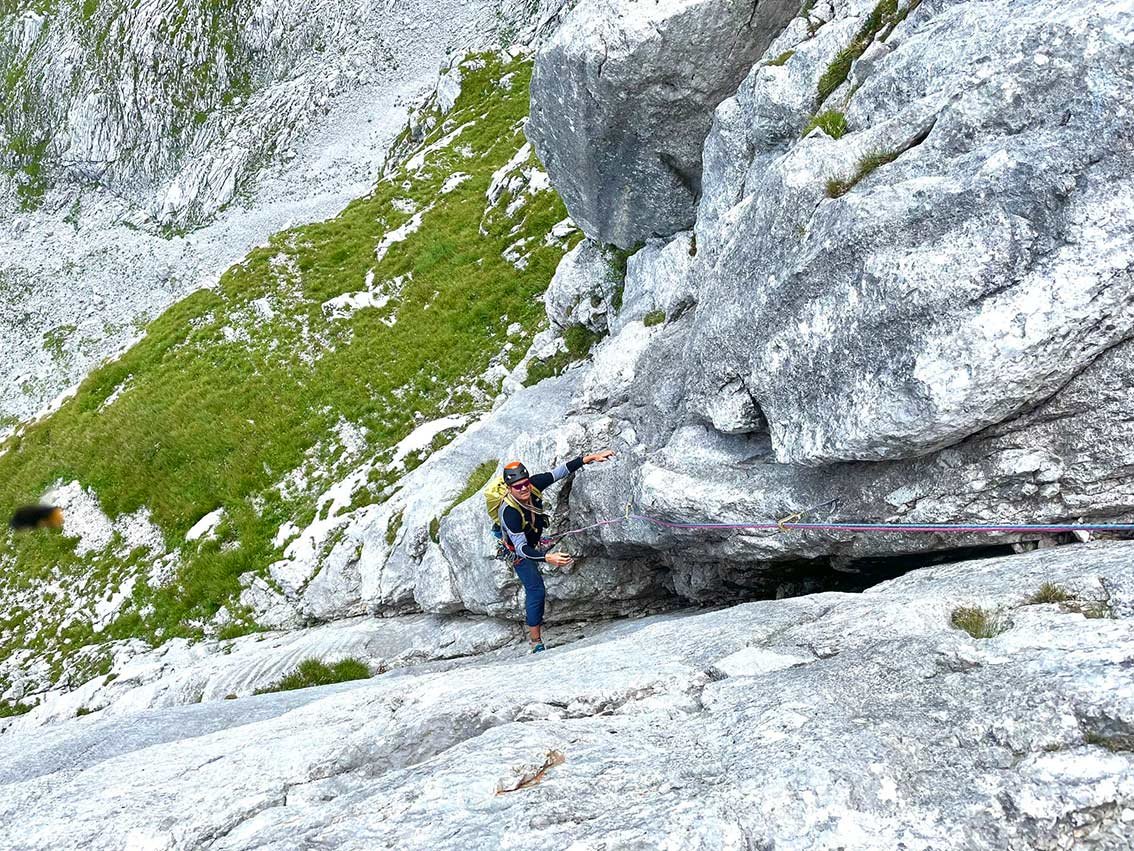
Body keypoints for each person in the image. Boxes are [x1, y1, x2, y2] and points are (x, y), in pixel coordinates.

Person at [498, 450, 615, 653]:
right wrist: (547, 557)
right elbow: (521, 548)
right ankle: (535, 641)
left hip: (531, 537)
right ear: (509, 488)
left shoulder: (533, 485)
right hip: (517, 549)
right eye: (518, 486)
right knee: (536, 589)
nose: (524, 488)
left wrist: (589, 458)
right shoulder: (510, 513)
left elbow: (559, 472)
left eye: (525, 483)